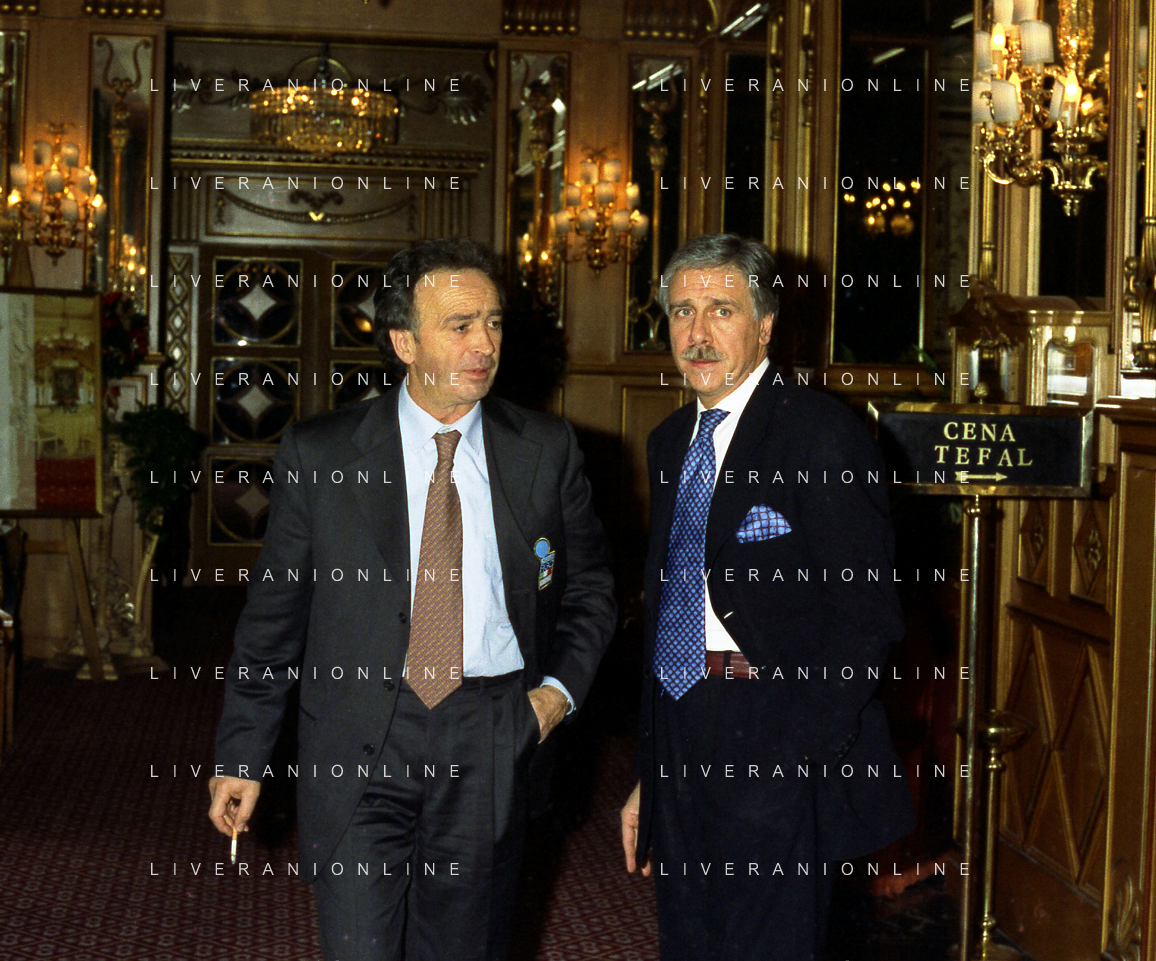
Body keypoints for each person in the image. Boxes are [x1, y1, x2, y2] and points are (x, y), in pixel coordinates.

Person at [209, 237, 616, 961]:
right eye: (460, 325)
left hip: (492, 731)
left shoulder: (544, 449)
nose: (484, 344)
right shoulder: (322, 454)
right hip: (360, 736)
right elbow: (274, 618)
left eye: (493, 322)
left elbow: (589, 589)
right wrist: (243, 752)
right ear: (404, 341)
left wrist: (553, 697)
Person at [620, 233, 913, 959]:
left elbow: (867, 617)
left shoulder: (821, 435)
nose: (697, 333)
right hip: (681, 721)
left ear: (766, 325)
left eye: (721, 310)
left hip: (775, 729)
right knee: (688, 938)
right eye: (682, 312)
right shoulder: (669, 441)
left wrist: (795, 753)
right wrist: (650, 773)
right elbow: (668, 607)